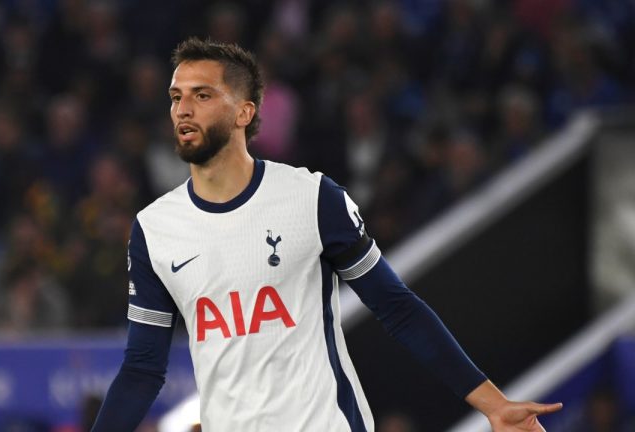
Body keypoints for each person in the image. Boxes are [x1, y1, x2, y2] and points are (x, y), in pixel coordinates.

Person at [92, 38, 562, 432]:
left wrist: (493, 405)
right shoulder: (155, 229)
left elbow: (397, 307)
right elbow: (142, 369)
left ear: (243, 112)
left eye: (202, 95)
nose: (183, 109)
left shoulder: (312, 198)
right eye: (176, 97)